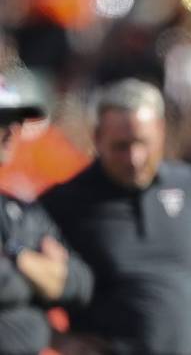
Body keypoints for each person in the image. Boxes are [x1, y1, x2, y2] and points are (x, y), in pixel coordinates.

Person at [41, 78, 191, 355]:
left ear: (161, 131)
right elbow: (18, 290)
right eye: (121, 146)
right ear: (97, 138)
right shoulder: (64, 202)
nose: (134, 158)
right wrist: (60, 341)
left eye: (142, 143)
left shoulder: (189, 184)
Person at [0, 71, 94, 354]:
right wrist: (36, 269)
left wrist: (14, 255)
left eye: (15, 122)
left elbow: (79, 284)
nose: (11, 131)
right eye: (2, 121)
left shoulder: (17, 209)